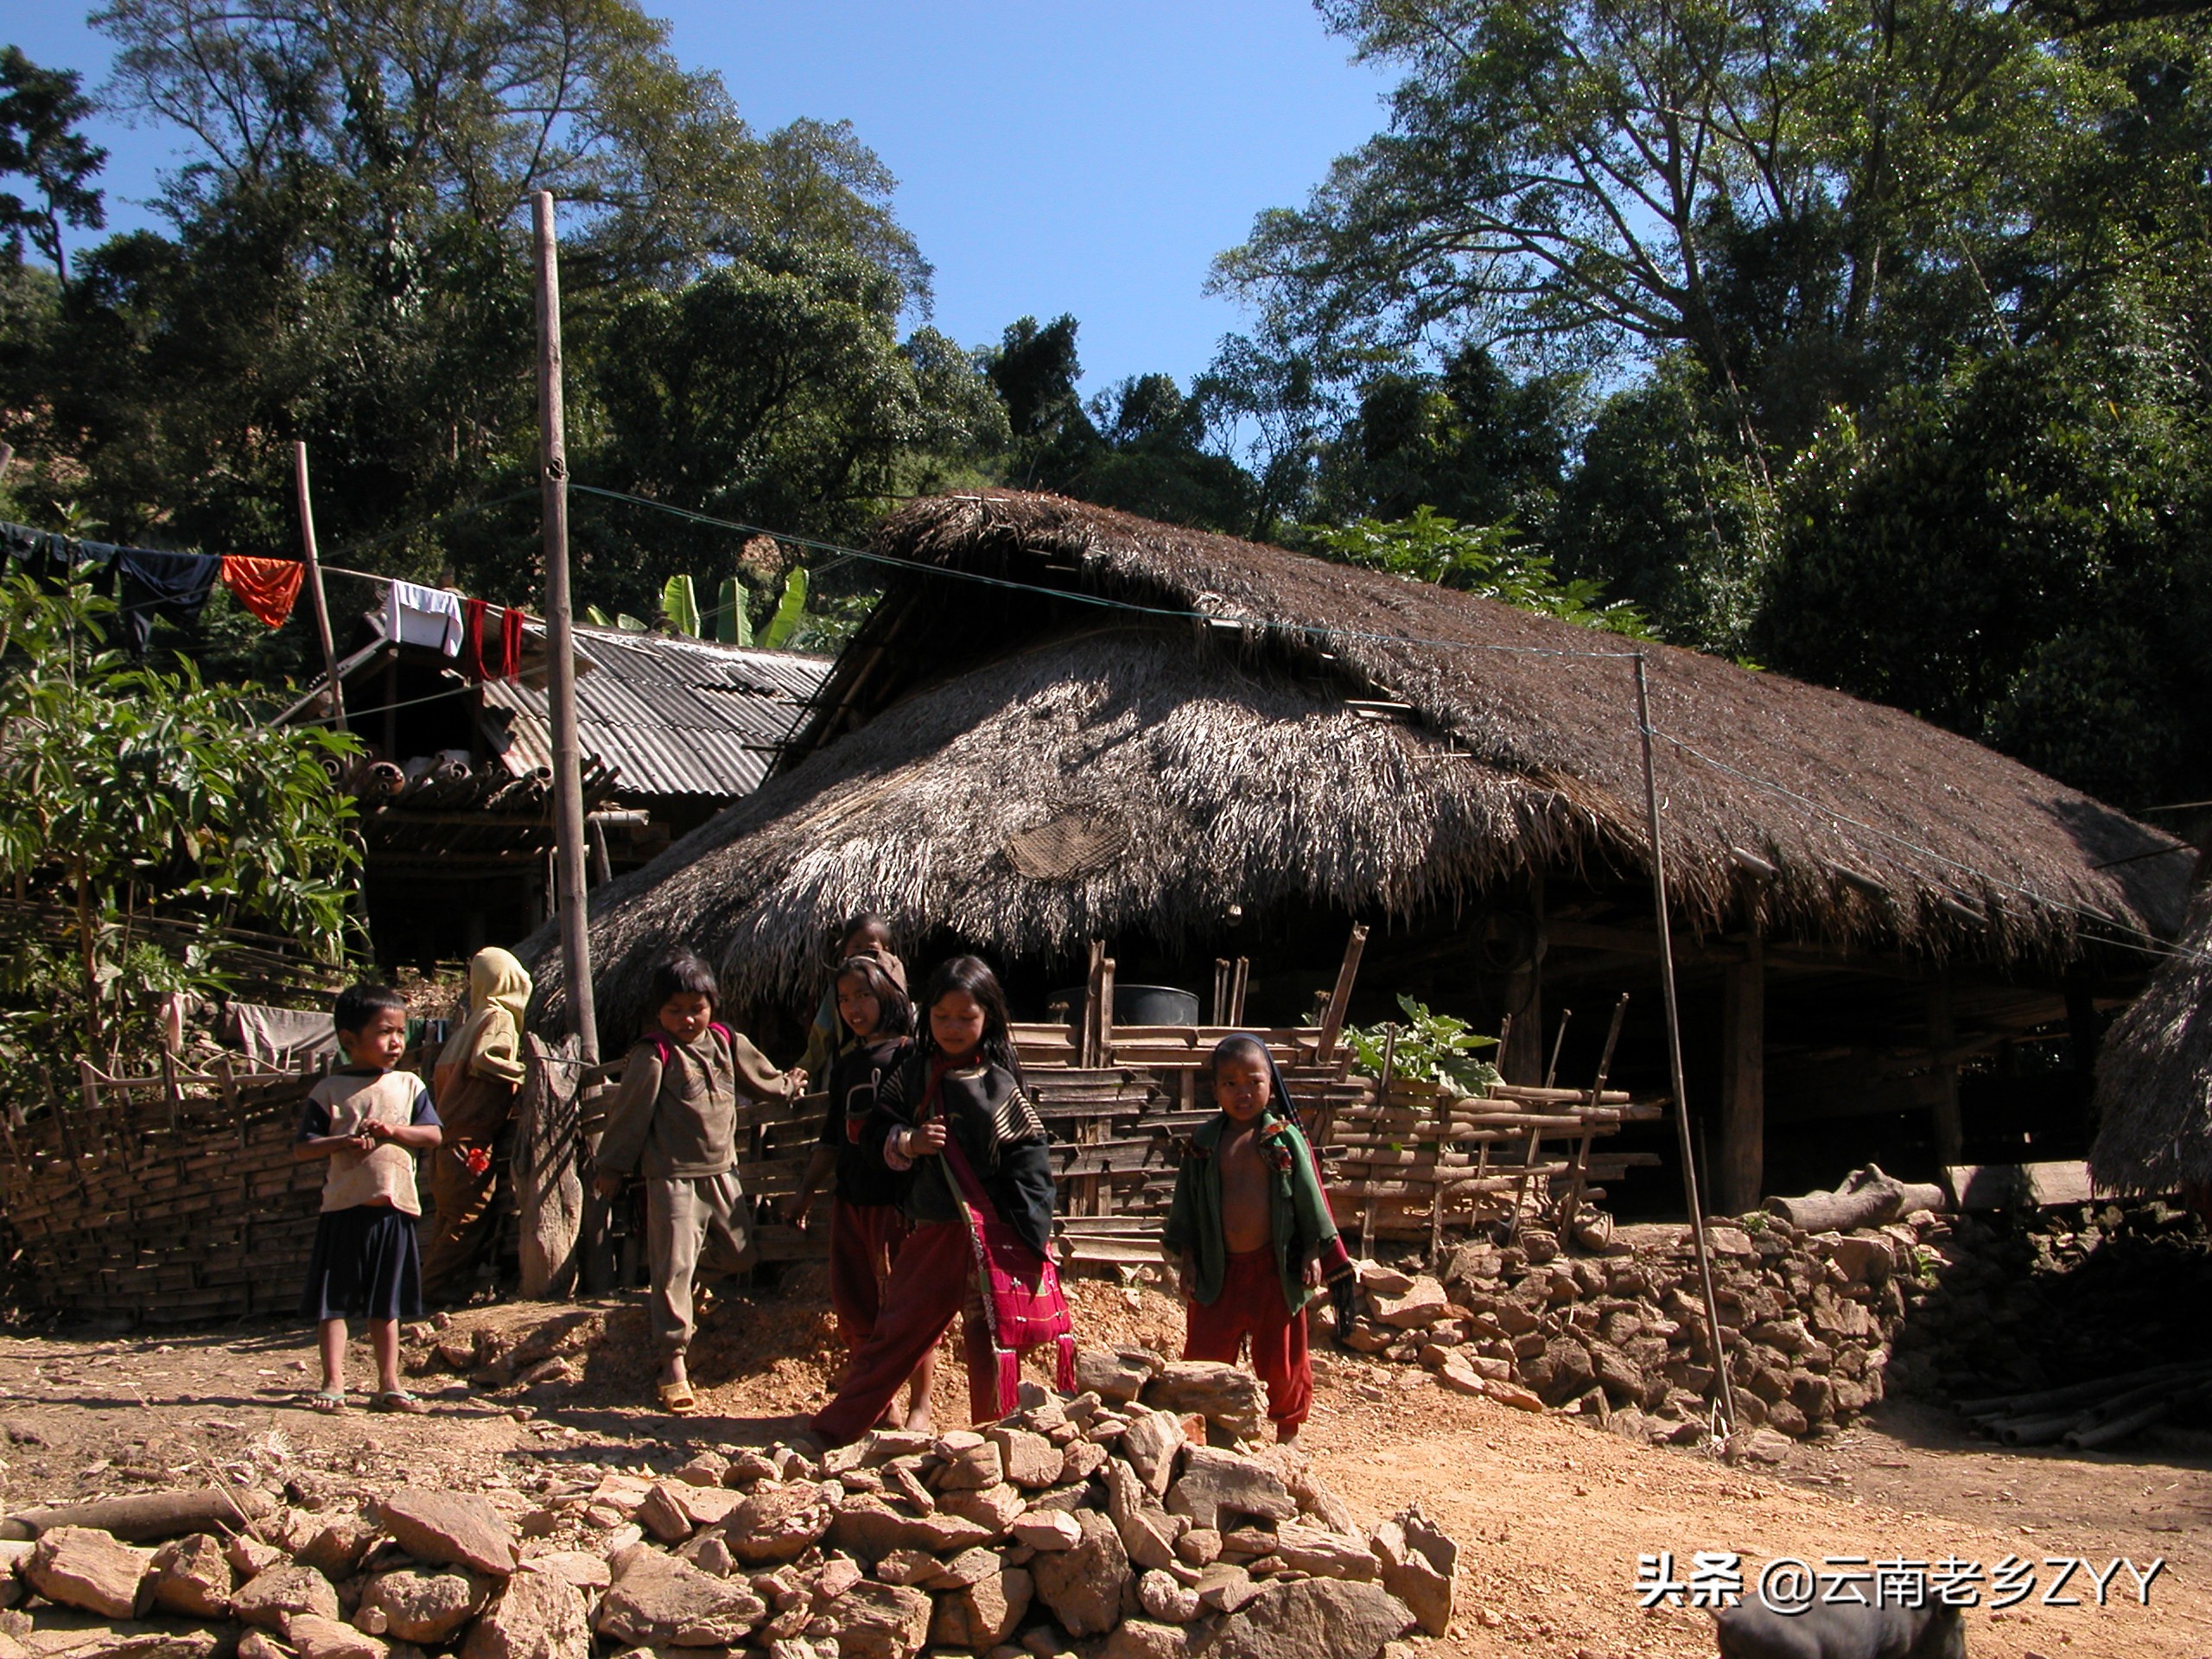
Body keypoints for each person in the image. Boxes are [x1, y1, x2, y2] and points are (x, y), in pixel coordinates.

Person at [808, 956, 1068, 1446]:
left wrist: (1031, 1239)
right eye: (941, 1016)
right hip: (932, 1228)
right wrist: (909, 1142)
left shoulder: (1001, 1086)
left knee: (989, 1335)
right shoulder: (910, 1074)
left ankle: (996, 1437)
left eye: (965, 1017)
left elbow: (1030, 1168)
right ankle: (836, 1429)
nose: (952, 1027)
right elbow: (874, 1132)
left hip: (989, 1236)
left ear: (988, 1016)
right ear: (924, 1014)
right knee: (897, 1330)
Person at [594, 950, 804, 1414]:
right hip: (672, 1178)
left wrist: (789, 1085)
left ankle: (692, 1291)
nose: (687, 1018)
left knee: (739, 1252)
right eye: (675, 1010)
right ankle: (674, 1364)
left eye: (696, 1008)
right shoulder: (655, 1055)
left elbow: (761, 1078)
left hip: (722, 1172)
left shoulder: (727, 1042)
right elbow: (630, 1115)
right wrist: (611, 1166)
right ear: (658, 1012)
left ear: (712, 1004)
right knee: (672, 1268)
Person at [1163, 1033, 1356, 1442]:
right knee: (1206, 1351)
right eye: (1230, 1083)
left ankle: (1288, 1431)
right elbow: (1188, 1206)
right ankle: (1207, 1427)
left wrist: (1310, 1252)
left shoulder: (1284, 1140)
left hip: (1274, 1268)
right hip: (1219, 1269)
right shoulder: (1203, 1145)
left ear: (1271, 1083)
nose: (1243, 1092)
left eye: (1254, 1081)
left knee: (1281, 1355)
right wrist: (1189, 1260)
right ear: (1214, 1090)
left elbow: (1308, 1196)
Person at [783, 955, 936, 1427]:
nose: (853, 1007)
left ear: (890, 995)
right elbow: (831, 1139)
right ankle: (878, 1400)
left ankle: (921, 1405)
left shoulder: (912, 1058)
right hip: (851, 1200)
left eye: (863, 994)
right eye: (844, 999)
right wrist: (806, 1191)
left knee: (906, 1307)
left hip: (897, 1203)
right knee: (855, 1305)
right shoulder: (848, 1064)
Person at [294, 982, 444, 1414]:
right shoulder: (328, 1091)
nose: (395, 1041)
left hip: (393, 1210)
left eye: (400, 1031)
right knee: (334, 1301)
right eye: (383, 1032)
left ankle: (389, 1383)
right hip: (342, 1209)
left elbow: (433, 1134)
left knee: (387, 1304)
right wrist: (340, 1141)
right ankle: (333, 1382)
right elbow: (304, 1146)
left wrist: (394, 1132)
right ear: (349, 1040)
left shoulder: (409, 1085)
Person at [420, 946, 531, 1301]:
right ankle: (428, 1294)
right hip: (469, 1142)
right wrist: (529, 1074)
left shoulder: (468, 1025)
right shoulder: (497, 1018)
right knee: (466, 1220)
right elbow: (488, 1060)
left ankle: (423, 1291)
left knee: (448, 1219)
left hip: (447, 1141)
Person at [798, 914, 906, 1082]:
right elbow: (821, 1037)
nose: (862, 954)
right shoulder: (837, 990)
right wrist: (804, 1069)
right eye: (856, 948)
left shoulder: (894, 982)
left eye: (863, 995)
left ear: (885, 952)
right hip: (856, 1070)